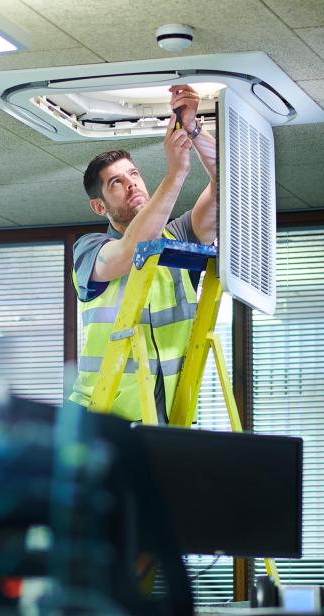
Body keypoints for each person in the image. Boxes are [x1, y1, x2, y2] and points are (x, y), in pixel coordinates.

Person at [69, 85, 218, 422]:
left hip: (166, 417)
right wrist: (176, 173)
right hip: (100, 418)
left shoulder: (179, 237)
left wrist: (193, 129)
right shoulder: (89, 251)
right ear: (99, 206)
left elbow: (231, 182)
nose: (132, 184)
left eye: (134, 174)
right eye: (116, 183)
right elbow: (132, 252)